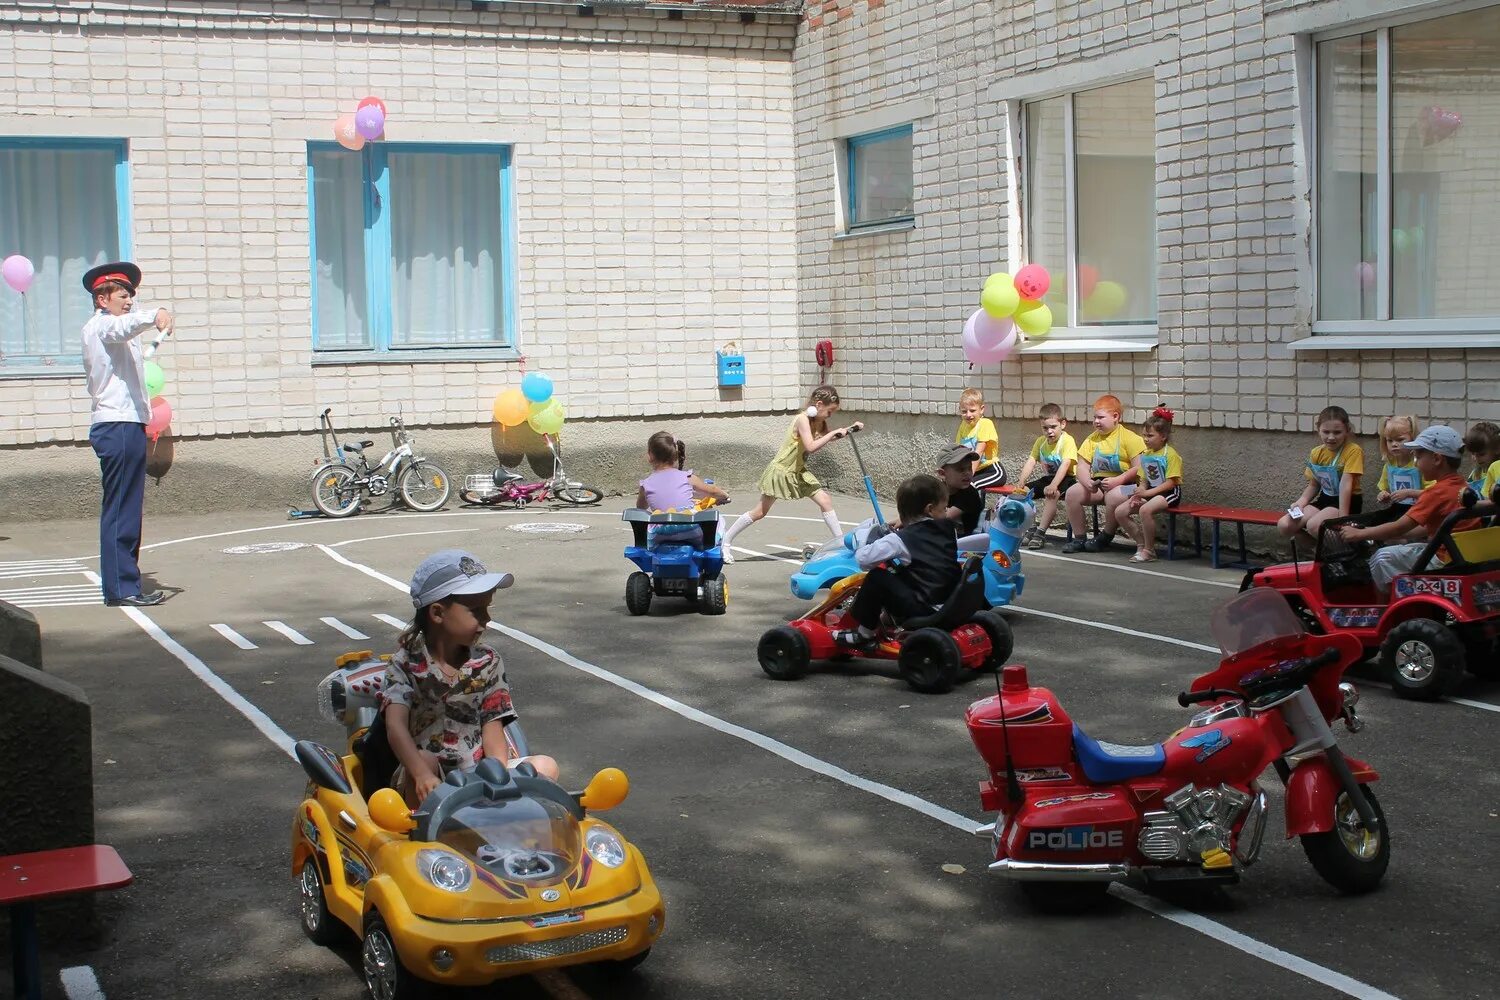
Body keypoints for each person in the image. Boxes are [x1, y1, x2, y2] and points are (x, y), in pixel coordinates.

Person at [380, 550, 559, 808]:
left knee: (545, 766)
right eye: (476, 611)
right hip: (427, 774)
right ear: (438, 613)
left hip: (478, 771)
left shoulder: (487, 661)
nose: (487, 619)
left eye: (487, 608)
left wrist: (497, 777)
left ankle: (506, 820)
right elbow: (395, 727)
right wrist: (420, 773)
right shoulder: (405, 664)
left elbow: (493, 726)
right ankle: (423, 836)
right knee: (425, 759)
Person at [80, 262, 173, 607]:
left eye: (131, 295)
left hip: (127, 424)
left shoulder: (116, 333)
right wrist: (155, 315)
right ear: (102, 299)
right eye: (123, 294)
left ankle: (125, 583)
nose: (129, 300)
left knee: (128, 508)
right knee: (121, 509)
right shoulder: (102, 326)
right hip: (116, 426)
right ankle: (122, 589)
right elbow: (122, 327)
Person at [720, 385, 862, 564]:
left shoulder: (819, 421)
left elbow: (830, 437)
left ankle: (841, 544)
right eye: (829, 411)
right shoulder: (802, 419)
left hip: (798, 471)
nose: (830, 416)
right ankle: (726, 540)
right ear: (818, 404)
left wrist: (850, 429)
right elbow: (811, 446)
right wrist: (834, 432)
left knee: (825, 500)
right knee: (759, 512)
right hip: (782, 471)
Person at [1338, 427, 1479, 595]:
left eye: (1418, 457)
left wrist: (1359, 534)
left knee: (1381, 558)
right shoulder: (1462, 486)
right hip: (1461, 555)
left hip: (1442, 559)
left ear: (1436, 459)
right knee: (1401, 549)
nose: (1416, 463)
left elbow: (1399, 527)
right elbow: (1434, 527)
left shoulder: (1435, 493)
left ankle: (1386, 610)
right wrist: (1393, 534)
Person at [832, 475, 960, 647]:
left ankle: (864, 634)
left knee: (877, 577)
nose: (946, 512)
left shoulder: (900, 540)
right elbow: (925, 559)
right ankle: (888, 620)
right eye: (944, 508)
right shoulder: (948, 530)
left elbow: (863, 560)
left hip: (925, 608)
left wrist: (863, 541)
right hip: (951, 603)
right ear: (929, 510)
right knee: (901, 573)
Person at [1063, 394, 1146, 554]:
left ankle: (1106, 536)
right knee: (1072, 493)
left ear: (1116, 416)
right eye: (1094, 417)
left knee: (1113, 496)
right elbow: (1081, 466)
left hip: (1130, 487)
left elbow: (1138, 468)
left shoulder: (1130, 438)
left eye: (1101, 417)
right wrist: (1087, 482)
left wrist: (1118, 480)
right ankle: (1080, 538)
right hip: (1099, 484)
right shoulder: (1092, 439)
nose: (1096, 422)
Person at [1277, 405, 1364, 548]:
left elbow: (1346, 486)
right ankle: (1320, 552)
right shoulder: (1316, 452)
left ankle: (1348, 553)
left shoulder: (1353, 451)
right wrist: (1301, 502)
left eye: (1337, 432)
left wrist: (1343, 517)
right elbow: (1314, 484)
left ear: (1347, 430)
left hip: (1347, 501)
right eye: (1326, 431)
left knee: (1314, 526)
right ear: (1318, 430)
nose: (1331, 437)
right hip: (1325, 499)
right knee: (1284, 525)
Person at [1112, 406, 1184, 563]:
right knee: (1120, 511)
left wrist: (1146, 495)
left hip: (1168, 493)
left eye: (1150, 435)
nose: (1145, 439)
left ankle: (1150, 551)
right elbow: (1143, 479)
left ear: (1163, 436)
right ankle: (1141, 544)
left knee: (1145, 510)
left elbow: (1171, 483)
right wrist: (1139, 492)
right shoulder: (1146, 454)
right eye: (1144, 435)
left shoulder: (1171, 455)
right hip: (1150, 491)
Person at [637, 430, 729, 548]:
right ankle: (712, 549)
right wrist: (724, 496)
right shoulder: (687, 477)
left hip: (660, 533)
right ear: (675, 456)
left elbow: (640, 508)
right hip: (689, 529)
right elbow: (712, 491)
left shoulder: (646, 484)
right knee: (718, 519)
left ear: (650, 456)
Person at [1014, 403, 1077, 550]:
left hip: (1066, 479)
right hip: (1048, 479)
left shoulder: (1067, 441)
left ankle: (1041, 533)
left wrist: (1054, 485)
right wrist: (1021, 481)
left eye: (1053, 427)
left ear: (1063, 424)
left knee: (1051, 494)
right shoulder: (1040, 442)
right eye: (1045, 428)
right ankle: (1031, 527)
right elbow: (1031, 461)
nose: (1049, 431)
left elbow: (1065, 465)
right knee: (1023, 493)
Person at [1369, 415, 1430, 525]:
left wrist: (1409, 493)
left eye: (1400, 439)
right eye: (1390, 440)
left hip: (1419, 512)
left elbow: (1432, 494)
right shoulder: (1389, 465)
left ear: (1413, 439)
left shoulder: (1420, 464)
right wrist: (1383, 495)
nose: (1394, 444)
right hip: (1398, 510)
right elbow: (1386, 489)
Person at [955, 388, 1005, 489]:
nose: (968, 415)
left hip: (992, 471)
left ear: (981, 409)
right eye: (964, 411)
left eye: (972, 410)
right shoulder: (963, 426)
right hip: (974, 471)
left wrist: (967, 477)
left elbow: (978, 452)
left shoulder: (985, 424)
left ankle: (972, 505)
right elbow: (958, 452)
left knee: (971, 485)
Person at [935, 444, 983, 536]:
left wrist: (913, 519)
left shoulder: (969, 493)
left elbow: (945, 517)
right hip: (944, 538)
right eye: (961, 469)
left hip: (966, 543)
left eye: (969, 468)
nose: (968, 473)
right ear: (942, 474)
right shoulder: (937, 490)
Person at [1463, 422, 1500, 504]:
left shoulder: (1497, 469)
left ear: (1497, 448)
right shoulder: (1476, 472)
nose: (1475, 458)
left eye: (1481, 454)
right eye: (1473, 453)